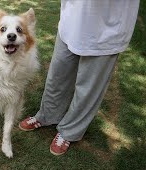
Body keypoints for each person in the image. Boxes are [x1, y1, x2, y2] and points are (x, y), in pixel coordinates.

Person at [19, 0, 140, 155]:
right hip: (72, 19)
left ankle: (69, 131)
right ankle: (47, 115)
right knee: (57, 77)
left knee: (88, 89)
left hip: (107, 29)